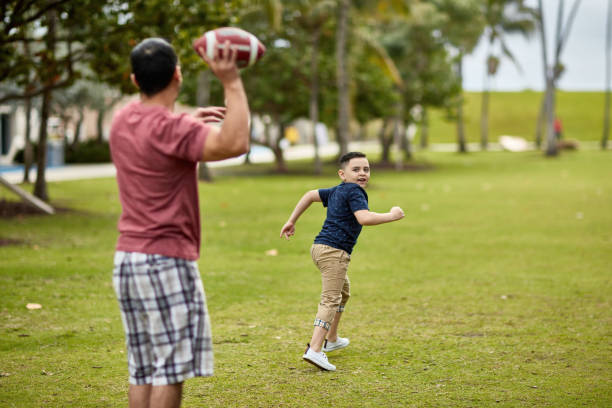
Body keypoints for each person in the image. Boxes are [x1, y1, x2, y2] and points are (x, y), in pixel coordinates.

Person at [109, 37, 249, 408]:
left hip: (128, 260)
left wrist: (185, 121)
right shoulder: (176, 131)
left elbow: (155, 130)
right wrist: (231, 81)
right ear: (177, 74)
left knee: (142, 369)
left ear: (135, 80)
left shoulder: (122, 118)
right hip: (166, 261)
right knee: (169, 373)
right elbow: (235, 142)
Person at [280, 152, 405, 371]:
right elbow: (364, 218)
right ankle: (315, 349)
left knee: (343, 292)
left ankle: (332, 339)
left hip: (319, 249)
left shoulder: (338, 190)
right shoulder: (354, 191)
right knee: (330, 298)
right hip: (334, 253)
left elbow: (309, 195)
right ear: (342, 174)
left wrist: (291, 221)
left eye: (366, 169)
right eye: (356, 169)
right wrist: (392, 215)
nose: (362, 173)